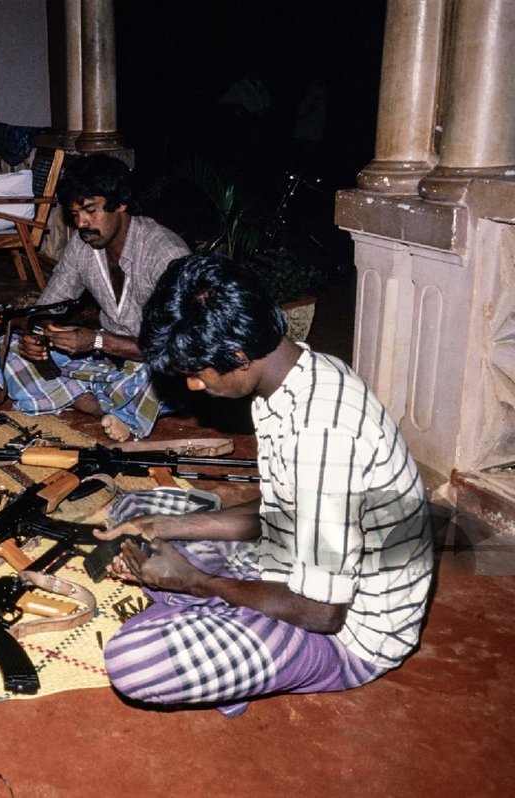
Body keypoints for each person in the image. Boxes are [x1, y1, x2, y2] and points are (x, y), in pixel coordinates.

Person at [99, 252, 433, 717]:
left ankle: (212, 622)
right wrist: (164, 527)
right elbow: (282, 507)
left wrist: (199, 583)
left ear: (237, 355)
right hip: (281, 567)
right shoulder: (288, 376)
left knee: (135, 662)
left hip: (343, 636)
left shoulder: (324, 433)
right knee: (134, 514)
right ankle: (216, 625)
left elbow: (322, 613)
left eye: (197, 372)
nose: (193, 386)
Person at [0, 153, 190, 441]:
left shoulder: (165, 254)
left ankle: (84, 398)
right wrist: (37, 335)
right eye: (75, 214)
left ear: (120, 203)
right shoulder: (82, 247)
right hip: (110, 364)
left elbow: (181, 348)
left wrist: (97, 340)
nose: (82, 223)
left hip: (154, 364)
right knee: (7, 346)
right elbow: (45, 310)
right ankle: (102, 408)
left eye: (90, 210)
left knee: (166, 377)